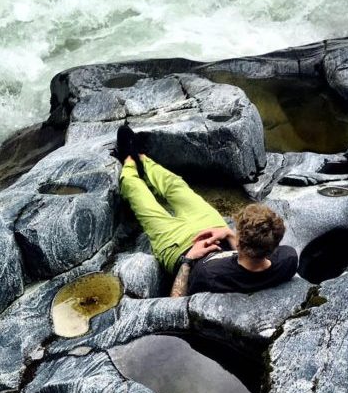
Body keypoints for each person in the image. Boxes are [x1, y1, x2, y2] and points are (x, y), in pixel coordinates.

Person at [114, 125, 298, 297]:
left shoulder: (210, 276)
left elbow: (176, 305)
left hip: (180, 247)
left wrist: (188, 260)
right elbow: (254, 257)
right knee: (177, 187)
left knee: (142, 199)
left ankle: (129, 161)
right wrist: (227, 233)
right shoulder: (288, 259)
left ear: (241, 242)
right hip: (215, 230)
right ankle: (143, 159)